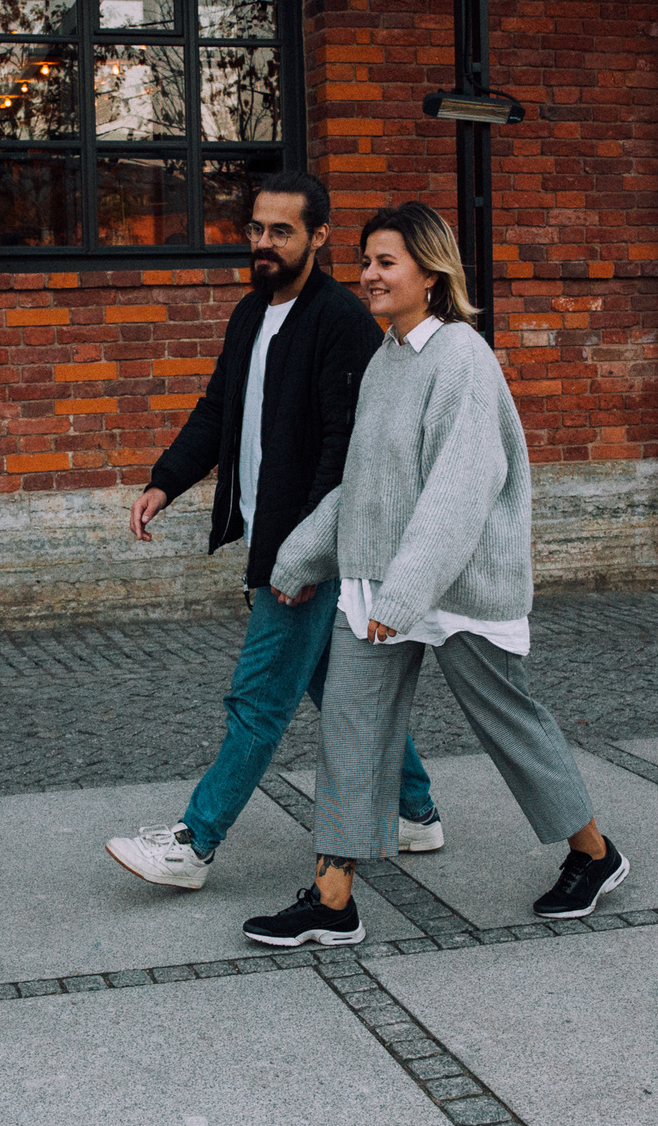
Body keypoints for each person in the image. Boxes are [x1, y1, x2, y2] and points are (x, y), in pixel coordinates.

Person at [246, 201, 626, 948]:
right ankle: (332, 900)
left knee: (507, 722)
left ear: (430, 271)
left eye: (386, 262)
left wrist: (407, 591)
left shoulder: (462, 358)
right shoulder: (388, 360)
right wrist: (300, 554)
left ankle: (594, 853)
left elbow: (459, 488)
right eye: (365, 261)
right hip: (381, 586)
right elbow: (366, 484)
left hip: (455, 587)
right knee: (351, 730)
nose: (368, 275)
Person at [105, 173, 443, 892]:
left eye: (280, 230)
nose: (262, 242)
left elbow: (342, 451)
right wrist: (165, 480)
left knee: (258, 696)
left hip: (309, 551)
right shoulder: (250, 314)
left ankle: (195, 841)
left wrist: (308, 555)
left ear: (318, 237)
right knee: (323, 680)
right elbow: (218, 407)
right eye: (256, 228)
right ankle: (415, 808)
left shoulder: (340, 322)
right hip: (274, 541)